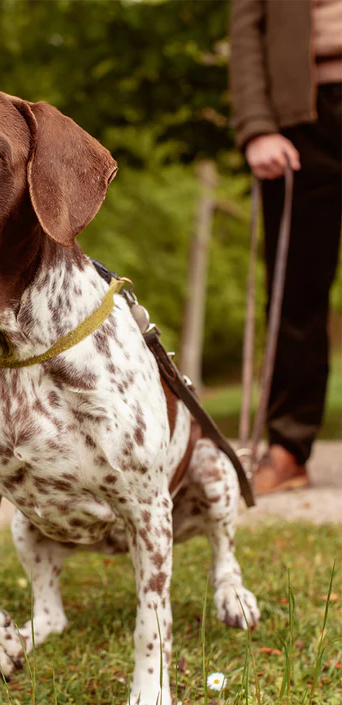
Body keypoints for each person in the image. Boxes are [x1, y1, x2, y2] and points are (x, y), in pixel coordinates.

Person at [229, 0, 342, 495]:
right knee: (295, 290)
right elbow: (246, 30)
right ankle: (289, 448)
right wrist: (257, 125)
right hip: (302, 119)